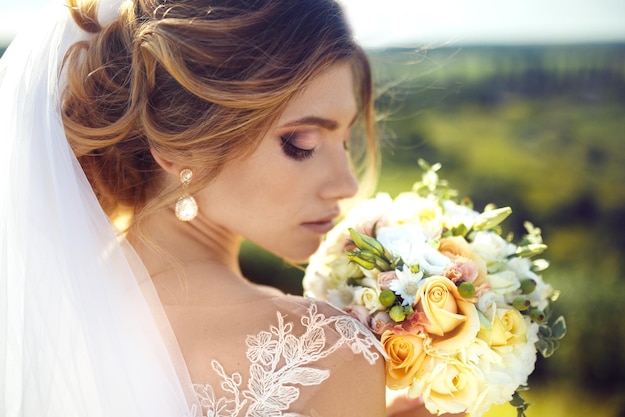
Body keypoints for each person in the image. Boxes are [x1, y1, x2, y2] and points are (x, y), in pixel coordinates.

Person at [0, 0, 460, 416]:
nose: (346, 184)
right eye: (301, 143)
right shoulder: (324, 353)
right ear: (180, 148)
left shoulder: (36, 319)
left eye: (344, 140)